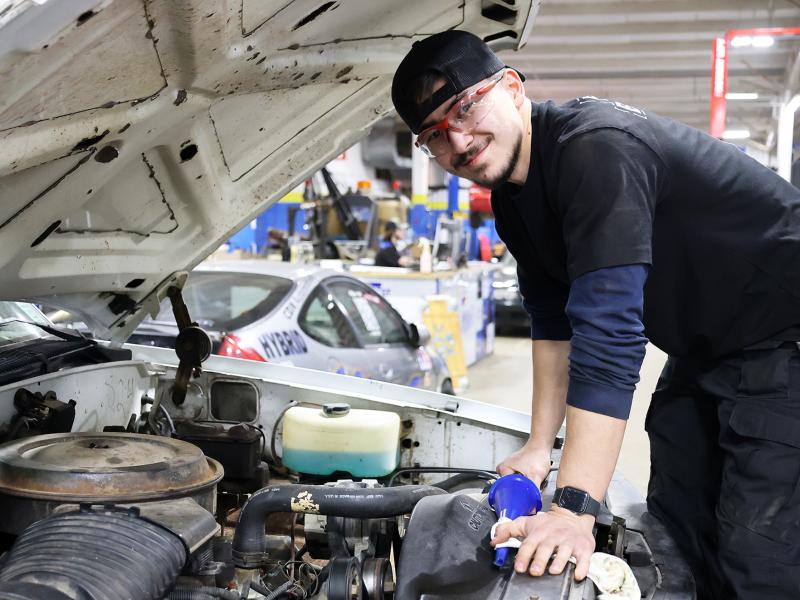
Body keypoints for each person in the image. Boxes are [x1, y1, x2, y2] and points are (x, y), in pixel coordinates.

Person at [391, 30, 800, 599]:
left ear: (511, 87)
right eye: (434, 135)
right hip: (706, 349)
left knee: (761, 555)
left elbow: (610, 335)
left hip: (785, 338)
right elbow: (553, 320)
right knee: (676, 533)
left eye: (464, 108)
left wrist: (574, 508)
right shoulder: (514, 198)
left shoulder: (595, 147)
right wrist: (540, 447)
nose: (457, 140)